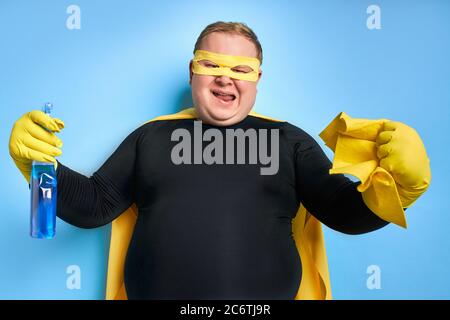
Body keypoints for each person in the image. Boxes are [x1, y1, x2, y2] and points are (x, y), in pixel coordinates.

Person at [8, 21, 431, 300]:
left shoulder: (288, 141)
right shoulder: (149, 137)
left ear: (258, 79)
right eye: (211, 64)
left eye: (241, 69)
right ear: (192, 72)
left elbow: (344, 213)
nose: (225, 77)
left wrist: (400, 187)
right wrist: (39, 170)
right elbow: (93, 206)